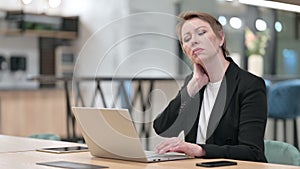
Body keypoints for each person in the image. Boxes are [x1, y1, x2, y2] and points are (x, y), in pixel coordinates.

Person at [153, 11, 267, 162]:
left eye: (201, 33)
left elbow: (252, 152)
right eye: (186, 39)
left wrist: (200, 150)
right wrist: (191, 88)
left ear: (221, 38)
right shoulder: (193, 84)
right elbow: (163, 128)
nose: (193, 41)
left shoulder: (250, 85)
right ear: (185, 50)